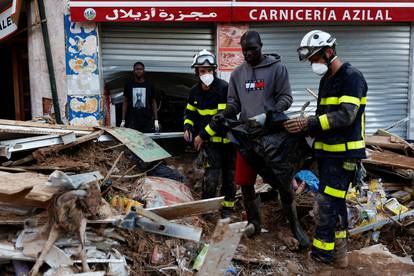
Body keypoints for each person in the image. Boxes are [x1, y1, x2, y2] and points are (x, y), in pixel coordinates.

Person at [217, 31, 310, 248]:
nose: (249, 53)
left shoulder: (277, 68)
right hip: (248, 137)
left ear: (260, 46)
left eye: (253, 49)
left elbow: (286, 98)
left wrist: (269, 114)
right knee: (245, 182)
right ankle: (254, 222)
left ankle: (295, 226)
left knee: (283, 184)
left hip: (273, 136)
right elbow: (234, 103)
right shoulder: (237, 74)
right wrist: (224, 114)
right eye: (245, 51)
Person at [284, 30, 368, 267]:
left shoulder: (351, 77)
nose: (313, 64)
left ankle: (320, 260)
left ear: (329, 52)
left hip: (344, 155)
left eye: (315, 58)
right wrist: (308, 128)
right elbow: (325, 118)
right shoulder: (327, 80)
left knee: (324, 206)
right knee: (336, 206)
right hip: (327, 153)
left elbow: (346, 115)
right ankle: (340, 256)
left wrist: (311, 122)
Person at [183, 49, 236, 218]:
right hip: (210, 144)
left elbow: (220, 120)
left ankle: (227, 208)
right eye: (202, 71)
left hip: (227, 142)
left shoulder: (224, 88)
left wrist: (201, 136)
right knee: (211, 177)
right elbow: (189, 113)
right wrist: (188, 128)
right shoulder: (194, 92)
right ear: (196, 72)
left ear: (214, 70)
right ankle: (207, 209)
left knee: (229, 177)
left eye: (209, 70)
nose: (206, 74)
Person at [121, 61, 160, 133]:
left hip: (147, 120)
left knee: (147, 141)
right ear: (133, 71)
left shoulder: (150, 84)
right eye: (137, 69)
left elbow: (153, 102)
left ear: (144, 71)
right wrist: (123, 120)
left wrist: (156, 120)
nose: (139, 71)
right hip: (132, 120)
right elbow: (125, 101)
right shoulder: (128, 84)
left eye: (141, 69)